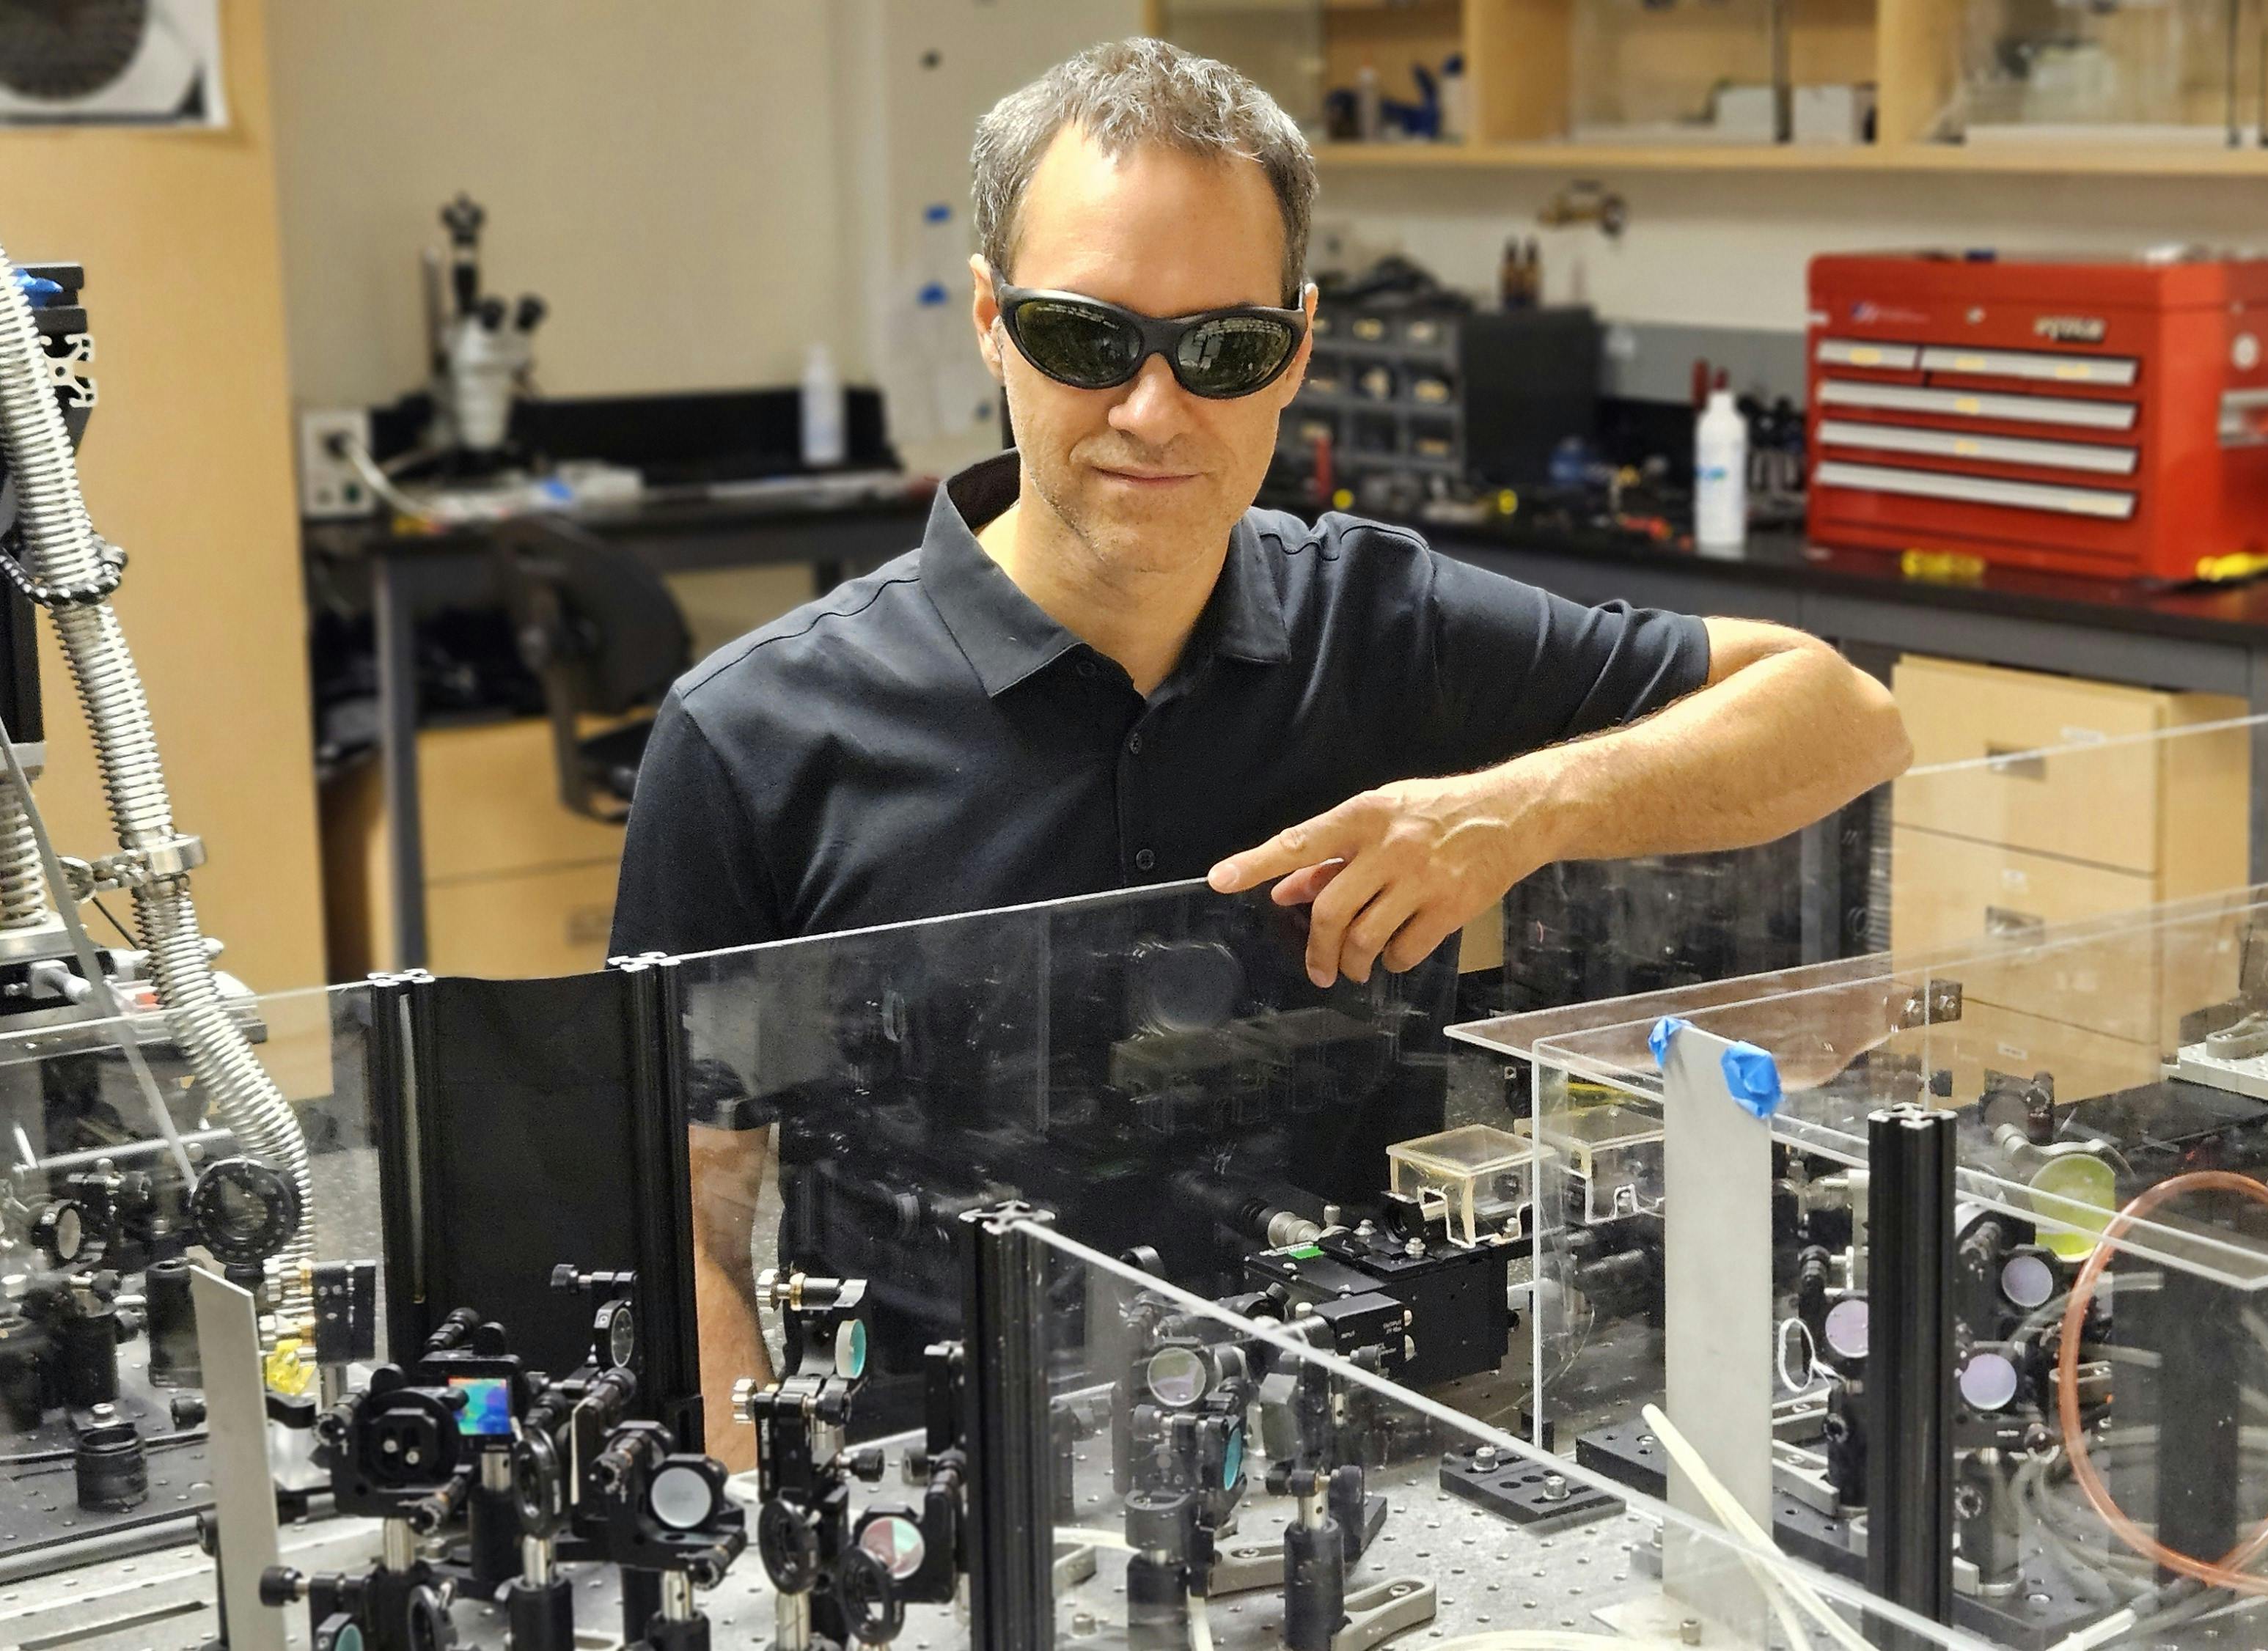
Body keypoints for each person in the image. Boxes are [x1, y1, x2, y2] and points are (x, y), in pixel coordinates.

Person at [609, 37, 1910, 1465]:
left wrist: (1517, 810)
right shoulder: (753, 736)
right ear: (990, 322)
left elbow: (1843, 713)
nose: (1154, 413)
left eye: (1219, 349)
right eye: (1085, 340)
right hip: (943, 1482)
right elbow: (692, 1219)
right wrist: (761, 1555)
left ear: (1291, 350)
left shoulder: (1380, 622)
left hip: (1357, 1450)